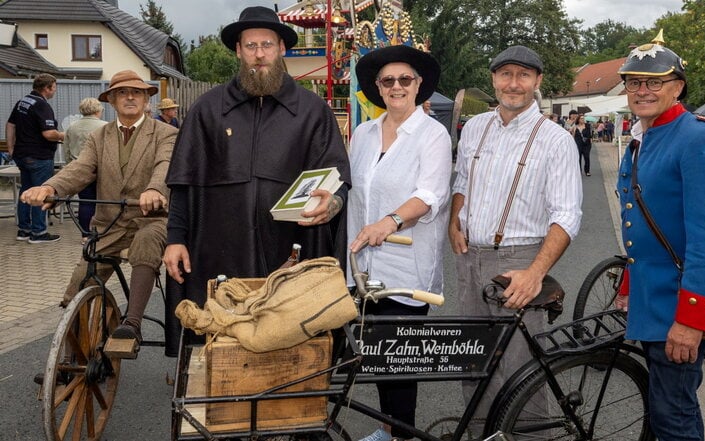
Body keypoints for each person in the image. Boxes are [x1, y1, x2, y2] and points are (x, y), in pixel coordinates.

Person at [162, 6, 350, 356]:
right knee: (218, 348)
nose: (259, 54)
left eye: (267, 44)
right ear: (238, 50)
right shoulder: (207, 109)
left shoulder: (313, 111)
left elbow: (338, 179)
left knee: (292, 348)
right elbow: (184, 182)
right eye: (251, 46)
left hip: (291, 250)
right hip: (216, 251)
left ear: (281, 48)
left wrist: (333, 202)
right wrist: (175, 239)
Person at [614, 35, 705, 440]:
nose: (642, 91)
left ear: (678, 87)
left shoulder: (699, 137)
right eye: (634, 82)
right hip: (652, 301)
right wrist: (629, 284)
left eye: (654, 82)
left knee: (674, 418)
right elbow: (643, 227)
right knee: (669, 410)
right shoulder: (643, 139)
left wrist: (691, 321)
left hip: (679, 308)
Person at [449, 45, 582, 432]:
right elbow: (462, 180)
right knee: (471, 358)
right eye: (505, 74)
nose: (513, 84)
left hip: (519, 258)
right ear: (493, 79)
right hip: (470, 257)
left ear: (537, 82)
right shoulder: (475, 126)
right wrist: (454, 222)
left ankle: (527, 437)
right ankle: (481, 435)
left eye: (523, 75)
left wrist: (535, 273)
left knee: (520, 368)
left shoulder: (556, 139)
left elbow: (567, 216)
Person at [21, 69, 178, 345]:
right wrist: (51, 188)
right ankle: (72, 358)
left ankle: (132, 323)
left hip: (152, 220)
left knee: (146, 240)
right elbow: (81, 168)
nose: (130, 97)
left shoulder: (166, 133)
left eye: (136, 93)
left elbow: (164, 165)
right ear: (112, 101)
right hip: (110, 224)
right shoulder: (100, 136)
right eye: (122, 93)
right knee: (79, 284)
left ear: (146, 100)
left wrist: (154, 190)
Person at [349, 45, 451, 441]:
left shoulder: (432, 134)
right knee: (375, 357)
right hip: (363, 269)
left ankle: (404, 435)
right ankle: (388, 429)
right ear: (377, 87)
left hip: (407, 269)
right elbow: (351, 187)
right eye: (388, 80)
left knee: (401, 365)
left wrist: (388, 221)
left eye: (404, 79)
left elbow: (430, 194)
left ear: (418, 84)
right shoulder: (363, 133)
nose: (396, 87)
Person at [6, 73, 65, 243]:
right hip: (39, 157)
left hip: (21, 155)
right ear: (47, 88)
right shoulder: (41, 105)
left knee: (26, 191)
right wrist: (64, 135)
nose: (55, 90)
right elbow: (48, 134)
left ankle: (24, 230)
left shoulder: (23, 102)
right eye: (54, 87)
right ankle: (39, 232)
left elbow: (10, 125)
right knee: (40, 192)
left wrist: (11, 148)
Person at [62, 97, 107, 238]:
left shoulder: (72, 127)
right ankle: (102, 232)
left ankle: (85, 235)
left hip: (79, 169)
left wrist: (71, 166)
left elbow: (67, 150)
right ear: (98, 110)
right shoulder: (105, 126)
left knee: (85, 202)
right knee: (104, 202)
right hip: (101, 170)